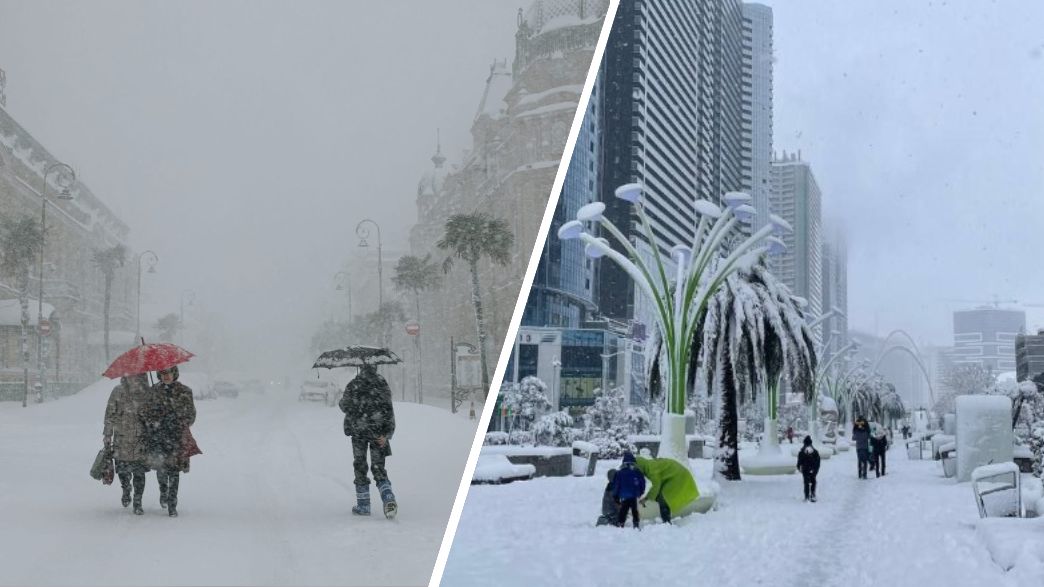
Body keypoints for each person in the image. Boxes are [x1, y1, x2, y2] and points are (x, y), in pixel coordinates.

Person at [340, 363, 397, 518]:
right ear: (376, 367)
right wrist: (387, 433)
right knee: (378, 468)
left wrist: (353, 403)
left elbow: (344, 406)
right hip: (378, 433)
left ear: (361, 368)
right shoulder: (382, 384)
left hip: (358, 432)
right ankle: (388, 498)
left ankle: (363, 505)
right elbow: (388, 409)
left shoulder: (354, 384)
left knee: (360, 465)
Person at [142, 366, 197, 517]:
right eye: (163, 373)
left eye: (169, 373)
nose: (166, 376)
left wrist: (176, 418)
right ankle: (163, 491)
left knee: (174, 471)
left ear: (175, 373)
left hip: (176, 438)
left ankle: (172, 503)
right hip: (158, 437)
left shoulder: (184, 391)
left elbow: (191, 416)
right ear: (159, 375)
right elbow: (145, 414)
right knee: (161, 469)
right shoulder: (153, 391)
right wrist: (154, 418)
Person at [103, 374, 151, 515]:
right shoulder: (117, 391)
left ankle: (138, 501)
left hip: (140, 439)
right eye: (130, 375)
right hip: (121, 439)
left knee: (139, 472)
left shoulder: (146, 393)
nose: (133, 378)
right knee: (122, 471)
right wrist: (107, 434)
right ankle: (126, 488)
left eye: (137, 376)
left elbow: (153, 415)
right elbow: (109, 414)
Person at [634, 455, 699, 524]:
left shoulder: (652, 469)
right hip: (675, 475)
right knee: (659, 494)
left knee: (663, 498)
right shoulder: (648, 466)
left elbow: (656, 486)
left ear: (640, 466)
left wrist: (646, 498)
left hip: (678, 476)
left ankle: (666, 522)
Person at [611, 454, 645, 529]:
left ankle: (621, 523)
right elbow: (642, 483)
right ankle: (636, 524)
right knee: (634, 510)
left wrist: (615, 496)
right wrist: (641, 492)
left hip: (624, 496)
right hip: (634, 494)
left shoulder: (619, 473)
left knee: (623, 510)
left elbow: (616, 485)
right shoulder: (637, 472)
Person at [796, 435, 821, 502]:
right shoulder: (815, 452)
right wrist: (815, 471)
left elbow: (799, 462)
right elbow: (818, 462)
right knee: (813, 481)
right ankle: (812, 495)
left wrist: (799, 468)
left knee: (806, 483)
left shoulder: (801, 452)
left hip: (805, 469)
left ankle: (807, 496)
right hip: (813, 469)